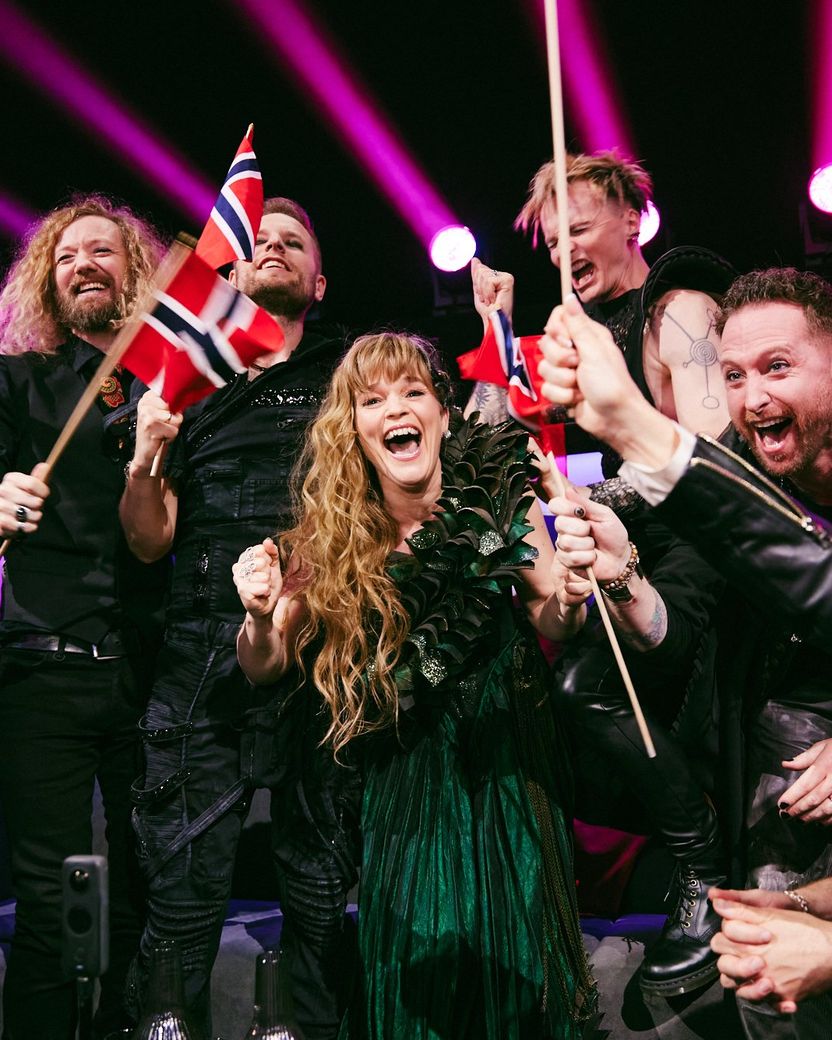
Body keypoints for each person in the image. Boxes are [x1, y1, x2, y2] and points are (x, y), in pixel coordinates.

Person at [233, 332, 597, 1039]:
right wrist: (255, 617)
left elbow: (553, 617)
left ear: (443, 412)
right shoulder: (331, 538)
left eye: (412, 392)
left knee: (516, 954)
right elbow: (264, 664)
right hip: (405, 773)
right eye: (373, 400)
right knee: (416, 965)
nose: (396, 409)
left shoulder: (497, 498)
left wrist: (573, 593)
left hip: (506, 755)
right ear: (354, 430)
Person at [464, 150, 736, 996]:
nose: (565, 250)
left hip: (696, 551)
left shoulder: (679, 310)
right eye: (553, 240)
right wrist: (496, 330)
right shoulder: (568, 339)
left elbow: (715, 460)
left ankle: (704, 863)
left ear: (631, 219)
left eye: (578, 228)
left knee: (588, 684)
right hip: (609, 551)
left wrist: (593, 496)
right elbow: (487, 450)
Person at [539, 270, 832, 1037]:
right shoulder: (740, 459)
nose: (753, 397)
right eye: (732, 376)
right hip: (759, 757)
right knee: (762, 980)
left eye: (777, 367)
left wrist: (635, 426)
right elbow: (676, 632)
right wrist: (622, 576)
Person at [119, 198, 358, 1040]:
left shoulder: (348, 372)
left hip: (325, 639)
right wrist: (146, 454)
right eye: (260, 240)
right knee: (181, 874)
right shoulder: (182, 374)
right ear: (232, 269)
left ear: (319, 282)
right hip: (200, 640)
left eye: (294, 241)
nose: (274, 248)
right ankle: (166, 1024)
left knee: (321, 879)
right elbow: (148, 541)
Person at [0, 195, 169, 1039]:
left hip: (147, 672)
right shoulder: (16, 382)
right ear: (47, 281)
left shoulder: (171, 389)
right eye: (65, 256)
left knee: (142, 893)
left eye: (100, 250)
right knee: (45, 900)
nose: (81, 265)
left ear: (133, 266)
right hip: (42, 671)